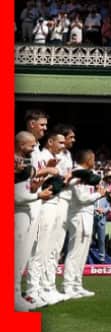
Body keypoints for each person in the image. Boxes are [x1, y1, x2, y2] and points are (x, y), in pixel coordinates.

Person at [15, 131, 53, 311]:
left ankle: (15, 296)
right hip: (17, 214)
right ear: (21, 145)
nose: (33, 148)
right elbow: (14, 196)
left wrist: (35, 187)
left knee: (20, 259)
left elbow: (25, 187)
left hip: (25, 212)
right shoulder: (15, 163)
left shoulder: (23, 164)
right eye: (31, 146)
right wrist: (38, 194)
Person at [63, 150, 106, 298]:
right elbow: (81, 197)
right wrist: (98, 195)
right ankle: (68, 286)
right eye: (93, 158)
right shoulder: (77, 173)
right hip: (77, 214)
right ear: (88, 159)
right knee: (75, 251)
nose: (95, 160)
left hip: (87, 214)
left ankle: (77, 284)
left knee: (83, 252)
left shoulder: (89, 174)